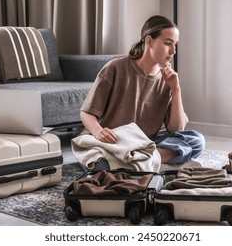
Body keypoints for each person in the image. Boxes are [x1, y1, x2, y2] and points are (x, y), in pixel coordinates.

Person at [79, 15, 205, 170]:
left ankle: (136, 161)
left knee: (197, 140)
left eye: (175, 44)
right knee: (99, 165)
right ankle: (147, 161)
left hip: (143, 144)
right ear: (149, 41)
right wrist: (98, 132)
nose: (173, 51)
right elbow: (86, 113)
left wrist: (175, 89)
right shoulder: (115, 68)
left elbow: (177, 130)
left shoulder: (167, 80)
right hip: (110, 143)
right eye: (168, 43)